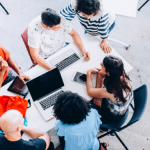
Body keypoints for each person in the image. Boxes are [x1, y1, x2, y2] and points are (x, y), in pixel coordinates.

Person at [86, 55, 133, 124]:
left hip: (112, 117)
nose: (100, 64)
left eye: (102, 66)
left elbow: (90, 92)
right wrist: (101, 75)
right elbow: (101, 78)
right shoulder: (123, 74)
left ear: (108, 74)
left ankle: (103, 128)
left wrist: (89, 73)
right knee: (95, 100)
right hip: (121, 108)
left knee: (86, 107)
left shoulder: (111, 90)